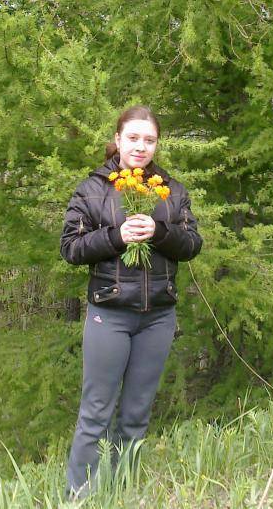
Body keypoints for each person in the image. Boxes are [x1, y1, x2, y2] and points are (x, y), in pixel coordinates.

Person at [60, 105, 204, 501]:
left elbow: (192, 244)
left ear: (157, 144)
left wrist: (159, 231)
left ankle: (122, 492)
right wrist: (117, 236)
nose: (141, 147)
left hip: (158, 316)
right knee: (96, 412)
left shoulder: (171, 190)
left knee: (137, 413)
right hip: (109, 314)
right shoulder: (92, 189)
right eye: (134, 138)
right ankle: (81, 497)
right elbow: (70, 248)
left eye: (149, 140)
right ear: (118, 140)